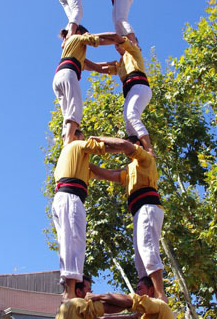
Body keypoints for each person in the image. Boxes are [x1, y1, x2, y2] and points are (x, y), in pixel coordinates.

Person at [88, 136, 165, 300]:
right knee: (140, 259)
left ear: (136, 144)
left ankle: (160, 294)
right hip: (139, 212)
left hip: (148, 207)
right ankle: (147, 295)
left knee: (148, 249)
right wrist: (86, 163)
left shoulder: (145, 157)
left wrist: (97, 139)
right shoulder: (131, 168)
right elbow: (110, 174)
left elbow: (123, 145)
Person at [52, 131, 107, 299]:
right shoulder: (75, 145)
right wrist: (130, 148)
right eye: (83, 137)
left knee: (71, 242)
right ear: (77, 137)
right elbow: (102, 147)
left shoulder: (78, 163)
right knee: (73, 242)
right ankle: (69, 292)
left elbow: (103, 173)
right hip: (70, 197)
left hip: (67, 198)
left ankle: (70, 290)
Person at [53, 27, 122, 145]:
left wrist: (113, 66)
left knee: (67, 111)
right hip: (68, 74)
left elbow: (96, 67)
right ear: (80, 32)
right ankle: (69, 140)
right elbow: (98, 39)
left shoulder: (74, 51)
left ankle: (67, 140)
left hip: (58, 78)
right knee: (75, 107)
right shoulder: (76, 37)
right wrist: (118, 39)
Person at [102, 35, 154, 153]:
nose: (116, 47)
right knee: (129, 125)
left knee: (132, 115)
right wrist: (82, 61)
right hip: (131, 90)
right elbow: (98, 67)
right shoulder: (120, 63)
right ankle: (137, 148)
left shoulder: (134, 51)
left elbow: (117, 37)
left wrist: (95, 38)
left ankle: (149, 148)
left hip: (139, 86)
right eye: (115, 45)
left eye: (118, 44)